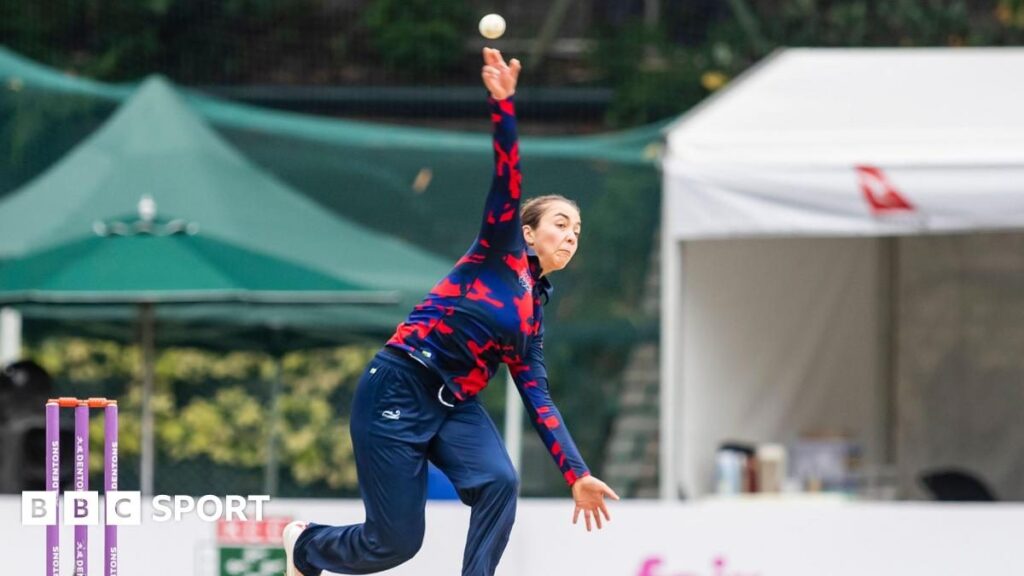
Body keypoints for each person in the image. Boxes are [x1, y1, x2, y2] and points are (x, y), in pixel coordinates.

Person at [284, 47, 619, 576]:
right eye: (560, 223)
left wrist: (575, 472)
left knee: (499, 482)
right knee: (393, 544)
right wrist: (503, 107)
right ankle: (306, 546)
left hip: (452, 405)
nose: (570, 235)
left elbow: (538, 398)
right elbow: (508, 179)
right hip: (397, 385)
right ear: (528, 233)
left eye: (577, 232)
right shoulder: (498, 251)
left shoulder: (532, 319)